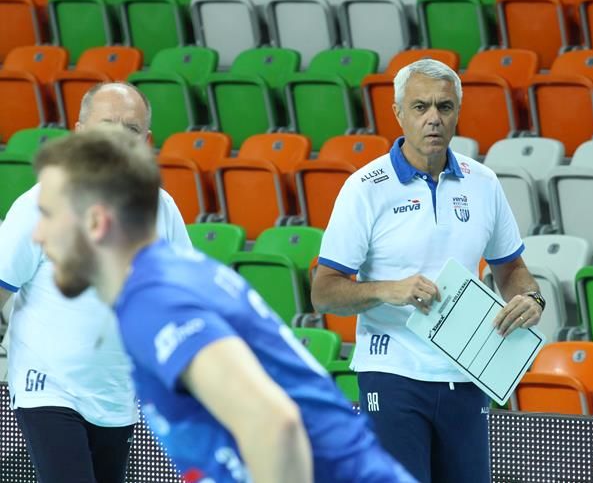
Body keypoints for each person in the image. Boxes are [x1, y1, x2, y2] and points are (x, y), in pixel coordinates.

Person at [31, 130, 417, 483]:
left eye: (47, 214)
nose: (38, 234)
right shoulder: (172, 273)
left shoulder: (154, 300)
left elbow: (275, 424)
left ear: (96, 222)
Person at [310, 59, 547, 483]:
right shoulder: (364, 188)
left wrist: (530, 298)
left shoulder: (484, 183)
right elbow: (324, 292)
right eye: (420, 107)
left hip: (468, 373)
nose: (433, 118)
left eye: (444, 106)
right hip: (392, 373)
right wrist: (386, 290)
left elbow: (511, 267)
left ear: (457, 112)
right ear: (398, 113)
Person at [0, 82, 191, 483]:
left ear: (146, 141)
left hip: (116, 396)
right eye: (107, 125)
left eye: (131, 128)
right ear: (80, 132)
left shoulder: (161, 209)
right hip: (47, 388)